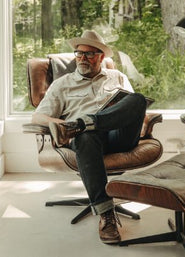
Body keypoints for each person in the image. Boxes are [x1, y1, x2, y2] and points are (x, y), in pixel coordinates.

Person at [31, 30, 147, 244]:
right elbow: (38, 116)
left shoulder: (117, 77)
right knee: (85, 136)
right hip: (87, 142)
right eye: (79, 54)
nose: (82, 58)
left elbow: (133, 109)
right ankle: (106, 214)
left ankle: (84, 123)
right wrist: (62, 125)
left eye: (89, 54)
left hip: (117, 136)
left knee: (138, 99)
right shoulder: (62, 84)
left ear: (101, 57)